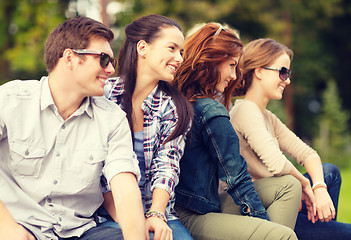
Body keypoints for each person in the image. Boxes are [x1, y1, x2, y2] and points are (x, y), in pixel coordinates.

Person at [0, 16, 145, 240]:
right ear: (70, 57)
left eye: (112, 62)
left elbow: (125, 186)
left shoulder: (113, 119)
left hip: (80, 232)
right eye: (104, 59)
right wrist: (7, 227)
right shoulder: (10, 100)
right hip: (18, 226)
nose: (109, 70)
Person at [173, 22, 299, 240]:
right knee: (282, 236)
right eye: (232, 66)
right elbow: (237, 178)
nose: (234, 76)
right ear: (213, 60)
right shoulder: (211, 111)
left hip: (205, 201)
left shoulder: (181, 99)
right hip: (192, 214)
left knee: (288, 186)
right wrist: (266, 228)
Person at [230, 37, 351, 239]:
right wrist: (305, 185)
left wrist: (319, 189)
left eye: (288, 73)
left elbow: (308, 153)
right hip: (266, 212)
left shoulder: (267, 116)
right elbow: (277, 164)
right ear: (259, 71)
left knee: (330, 172)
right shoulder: (244, 110)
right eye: (282, 72)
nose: (287, 80)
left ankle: (321, 223)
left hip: (287, 199)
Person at [98, 14, 193, 240]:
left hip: (157, 213)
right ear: (143, 48)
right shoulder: (104, 94)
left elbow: (168, 166)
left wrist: (156, 214)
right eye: (172, 48)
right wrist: (131, 221)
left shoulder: (175, 108)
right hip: (107, 213)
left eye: (181, 52)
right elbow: (97, 168)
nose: (179, 58)